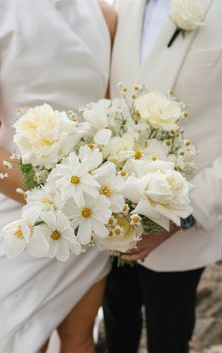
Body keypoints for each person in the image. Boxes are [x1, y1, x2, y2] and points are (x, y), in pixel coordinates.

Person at [0, 1, 116, 352]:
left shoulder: (106, 16)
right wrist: (57, 198)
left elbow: (109, 120)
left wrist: (87, 198)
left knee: (79, 339)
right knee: (26, 343)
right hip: (16, 209)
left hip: (88, 209)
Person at [103, 0, 222, 353]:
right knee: (115, 330)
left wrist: (181, 215)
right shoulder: (119, 8)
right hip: (110, 223)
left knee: (169, 339)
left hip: (184, 234)